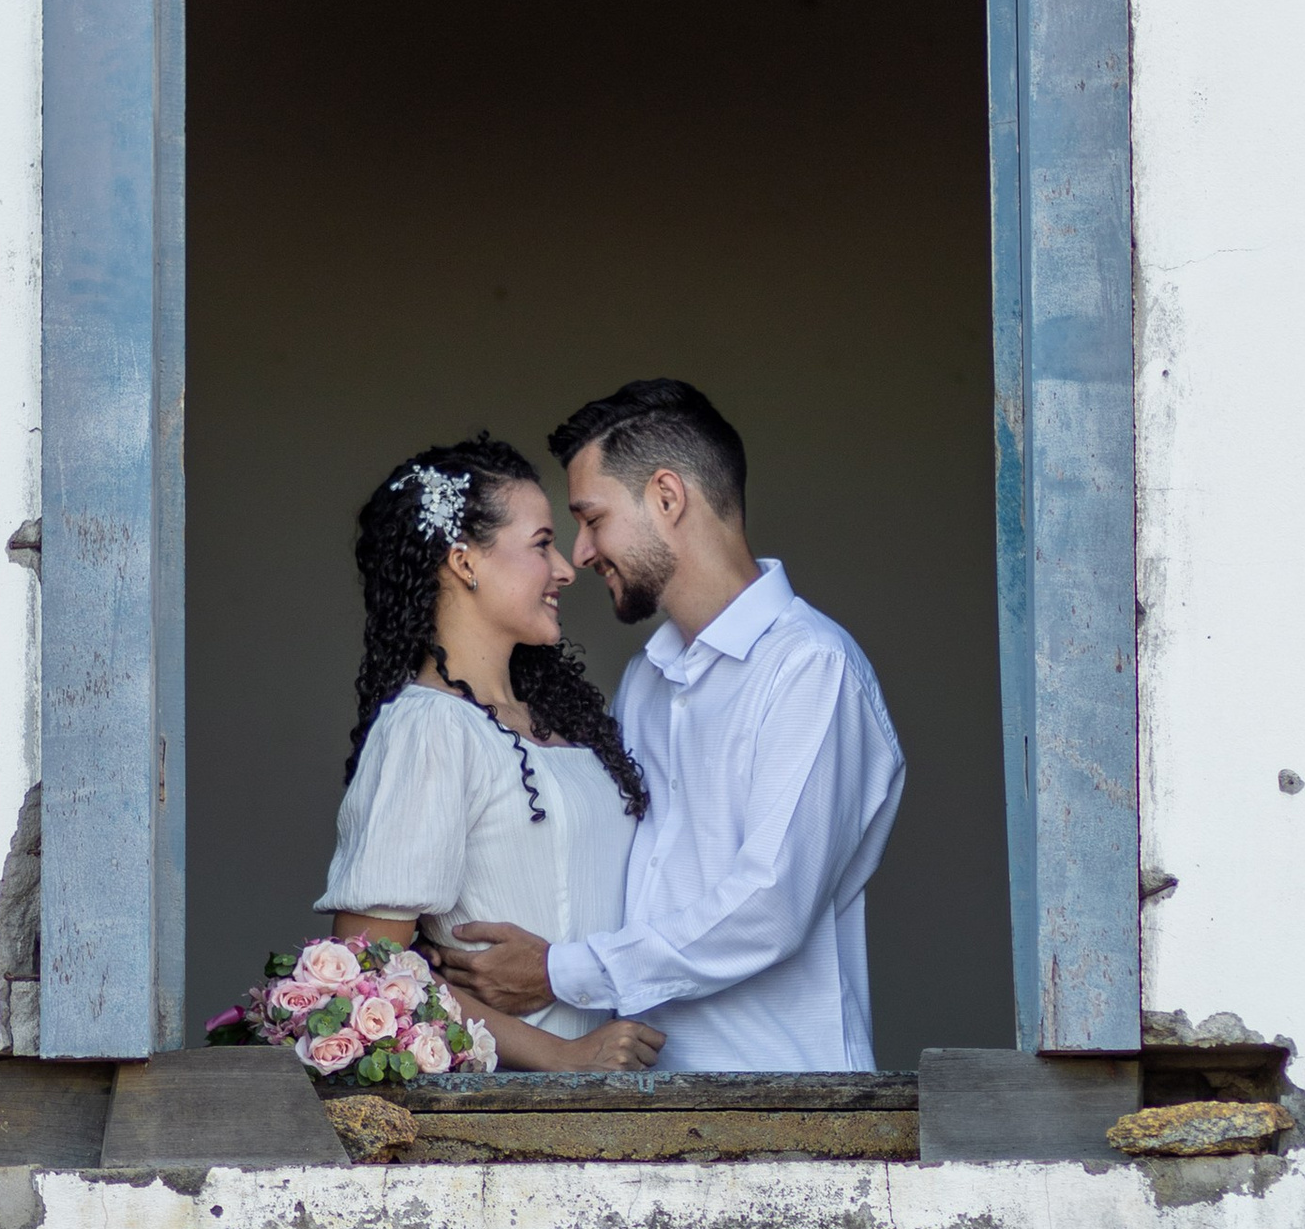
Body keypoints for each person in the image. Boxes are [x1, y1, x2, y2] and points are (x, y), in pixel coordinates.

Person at [439, 380, 905, 1073]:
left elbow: (770, 902)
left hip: (787, 1097)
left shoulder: (810, 668)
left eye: (592, 517)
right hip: (641, 1097)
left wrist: (561, 971)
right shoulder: (645, 682)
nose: (582, 551)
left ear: (666, 496)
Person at [317, 436, 667, 1073]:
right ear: (463, 561)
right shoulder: (429, 728)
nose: (565, 568)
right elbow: (367, 969)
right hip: (512, 1103)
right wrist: (564, 1056)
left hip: (622, 1088)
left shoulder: (567, 724)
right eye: (541, 545)